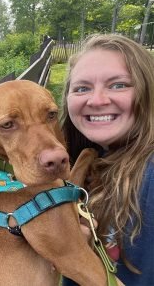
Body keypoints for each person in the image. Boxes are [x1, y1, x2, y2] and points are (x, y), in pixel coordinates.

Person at [60, 34, 154, 285]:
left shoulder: (150, 177)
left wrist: (77, 258)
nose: (97, 100)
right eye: (82, 88)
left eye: (118, 85)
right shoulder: (94, 164)